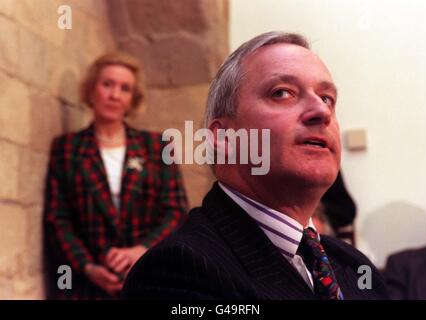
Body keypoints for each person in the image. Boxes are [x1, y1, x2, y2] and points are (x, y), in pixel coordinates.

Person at [122, 32, 387, 299]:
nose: (322, 111)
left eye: (327, 97)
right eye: (282, 93)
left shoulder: (357, 268)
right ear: (224, 138)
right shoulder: (176, 270)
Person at [43, 52, 188, 299]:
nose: (114, 95)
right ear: (91, 90)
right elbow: (58, 218)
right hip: (87, 287)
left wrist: (141, 250)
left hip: (150, 279)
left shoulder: (157, 146)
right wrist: (88, 266)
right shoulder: (67, 148)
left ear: (133, 99)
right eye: (107, 84)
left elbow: (176, 210)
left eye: (125, 88)